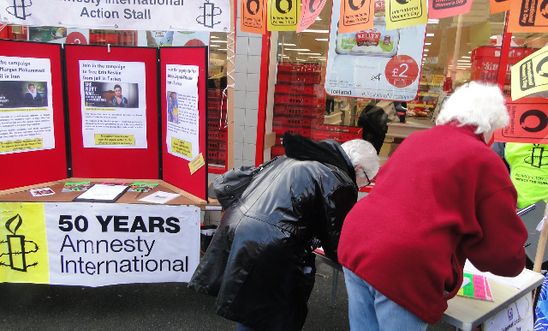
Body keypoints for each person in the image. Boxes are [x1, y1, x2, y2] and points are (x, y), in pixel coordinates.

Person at [338, 82, 528, 330]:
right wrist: (514, 262)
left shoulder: (418, 140)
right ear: (491, 123)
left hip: (358, 240)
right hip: (403, 262)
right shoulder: (483, 159)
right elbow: (501, 248)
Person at [188, 133, 380, 331]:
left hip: (241, 228)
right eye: (366, 180)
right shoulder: (340, 180)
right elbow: (337, 240)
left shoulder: (298, 157)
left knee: (250, 308)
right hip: (273, 245)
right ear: (358, 169)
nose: (363, 185)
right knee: (270, 315)